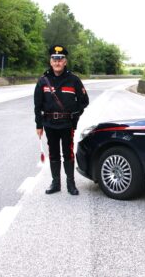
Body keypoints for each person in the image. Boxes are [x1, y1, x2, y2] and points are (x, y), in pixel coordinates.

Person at [34, 45, 89, 195]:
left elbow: (84, 101)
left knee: (68, 153)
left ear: (65, 61)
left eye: (60, 59)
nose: (57, 62)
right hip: (49, 124)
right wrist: (39, 125)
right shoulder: (43, 81)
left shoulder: (73, 80)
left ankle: (71, 184)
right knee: (53, 154)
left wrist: (74, 116)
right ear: (50, 61)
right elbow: (37, 105)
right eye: (54, 59)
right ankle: (55, 183)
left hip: (66, 124)